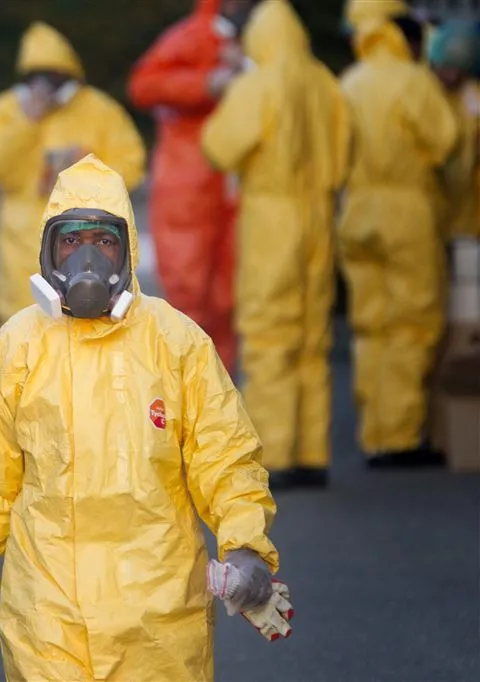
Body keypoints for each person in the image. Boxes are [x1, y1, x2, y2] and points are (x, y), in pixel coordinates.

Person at [0, 154, 287, 681]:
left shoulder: (176, 341)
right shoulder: (17, 348)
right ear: (49, 250)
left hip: (159, 621)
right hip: (47, 623)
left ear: (128, 250)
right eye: (71, 241)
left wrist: (245, 547)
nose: (87, 258)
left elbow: (228, 457)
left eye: (103, 241)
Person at [200, 0, 350, 490]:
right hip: (319, 217)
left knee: (269, 334)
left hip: (271, 215)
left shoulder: (257, 84)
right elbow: (347, 150)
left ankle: (276, 453)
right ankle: (311, 452)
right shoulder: (325, 82)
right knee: (311, 336)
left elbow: (219, 146)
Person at [338, 13, 459, 468]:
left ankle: (376, 433)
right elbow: (445, 143)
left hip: (356, 213)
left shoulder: (349, 81)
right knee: (412, 323)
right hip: (406, 214)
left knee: (371, 326)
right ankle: (402, 436)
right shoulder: (413, 81)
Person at [0, 20, 146, 327]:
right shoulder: (6, 111)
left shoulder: (99, 111)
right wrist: (26, 122)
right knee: (22, 331)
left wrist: (88, 168)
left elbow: (132, 163)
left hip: (86, 239)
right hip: (21, 242)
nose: (47, 87)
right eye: (38, 78)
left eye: (54, 77)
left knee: (90, 327)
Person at [127, 0, 262, 375]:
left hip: (236, 189)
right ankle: (185, 396)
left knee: (229, 299)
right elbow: (144, 84)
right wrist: (207, 83)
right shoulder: (189, 37)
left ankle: (220, 394)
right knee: (189, 296)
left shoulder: (264, 37)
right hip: (189, 187)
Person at [429, 20, 480, 240]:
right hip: (433, 213)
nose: (451, 75)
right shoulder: (425, 94)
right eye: (446, 67)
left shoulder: (474, 96)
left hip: (469, 215)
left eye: (457, 68)